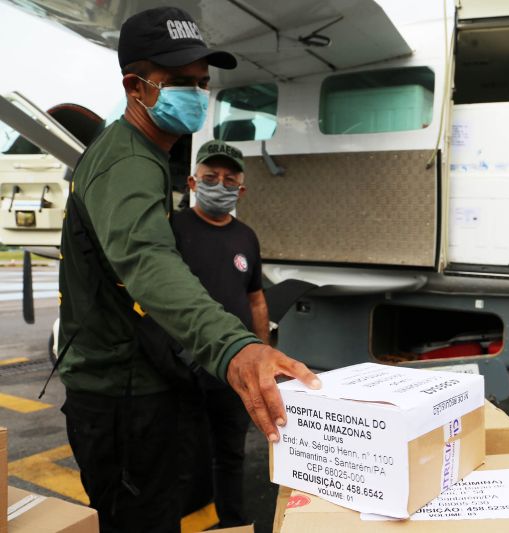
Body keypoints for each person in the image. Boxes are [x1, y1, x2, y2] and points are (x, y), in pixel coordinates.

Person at [57, 7, 318, 532]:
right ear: (136, 87)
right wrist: (235, 347)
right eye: (179, 81)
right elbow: (147, 261)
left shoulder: (146, 155)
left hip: (143, 383)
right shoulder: (129, 161)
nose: (197, 94)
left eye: (202, 83)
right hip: (122, 396)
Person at [172, 140, 266, 527]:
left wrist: (262, 353)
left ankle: (233, 523)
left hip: (234, 368)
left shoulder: (246, 237)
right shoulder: (172, 228)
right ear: (193, 182)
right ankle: (180, 519)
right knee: (181, 451)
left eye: (230, 180)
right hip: (181, 366)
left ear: (241, 191)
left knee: (230, 451)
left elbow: (256, 300)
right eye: (211, 177)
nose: (220, 185)